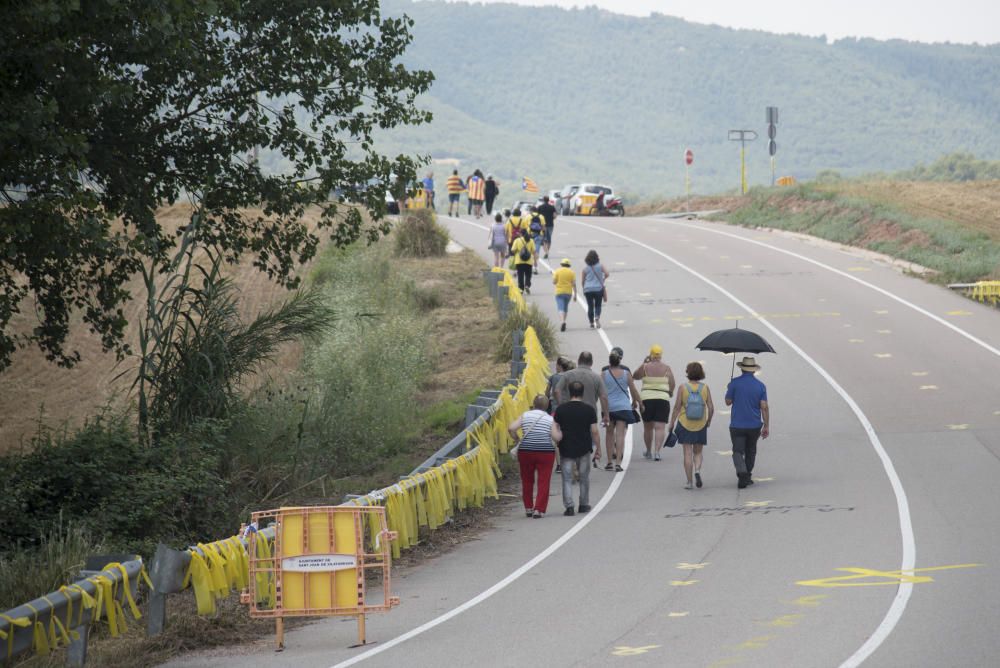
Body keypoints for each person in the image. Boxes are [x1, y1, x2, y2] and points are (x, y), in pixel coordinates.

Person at [508, 394, 560, 518]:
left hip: (526, 451)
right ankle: (539, 509)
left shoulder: (525, 415)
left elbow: (511, 428)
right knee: (543, 480)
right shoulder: (549, 419)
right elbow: (556, 437)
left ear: (533, 404)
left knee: (527, 480)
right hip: (545, 453)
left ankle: (528, 508)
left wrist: (517, 439)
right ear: (547, 406)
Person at [553, 381, 600, 516]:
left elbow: (555, 427)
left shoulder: (561, 409)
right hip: (584, 447)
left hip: (566, 447)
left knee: (567, 478)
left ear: (569, 392)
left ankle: (569, 506)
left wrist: (557, 439)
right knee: (584, 478)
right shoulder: (589, 409)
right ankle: (583, 504)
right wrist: (598, 448)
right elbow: (594, 431)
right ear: (582, 393)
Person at [668, 362, 715, 489]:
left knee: (687, 453)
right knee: (698, 452)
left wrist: (672, 422)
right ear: (701, 373)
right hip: (700, 424)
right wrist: (708, 421)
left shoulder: (683, 388)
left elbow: (677, 407)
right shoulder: (705, 388)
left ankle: (689, 482)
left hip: (685, 423)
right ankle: (697, 471)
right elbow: (711, 407)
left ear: (688, 373)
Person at [725, 356, 769, 489]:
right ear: (754, 370)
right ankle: (747, 474)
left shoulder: (735, 383)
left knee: (737, 451)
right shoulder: (761, 386)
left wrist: (730, 387)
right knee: (751, 451)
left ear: (742, 369)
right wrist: (766, 425)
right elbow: (764, 406)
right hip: (754, 425)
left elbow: (728, 402)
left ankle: (742, 472)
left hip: (737, 424)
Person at [633, 344, 676, 461]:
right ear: (661, 355)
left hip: (647, 399)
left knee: (648, 427)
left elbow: (635, 376)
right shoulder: (667, 368)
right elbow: (672, 382)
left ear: (651, 355)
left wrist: (644, 363)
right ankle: (657, 452)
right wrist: (670, 392)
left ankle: (648, 451)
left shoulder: (645, 366)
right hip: (662, 398)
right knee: (660, 427)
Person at [600, 348, 640, 472]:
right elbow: (632, 389)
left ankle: (609, 462)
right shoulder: (626, 374)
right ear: (619, 361)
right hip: (623, 407)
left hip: (609, 407)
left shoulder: (603, 374)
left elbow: (601, 393)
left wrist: (603, 408)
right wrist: (635, 401)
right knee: (620, 434)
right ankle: (618, 462)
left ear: (609, 361)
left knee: (609, 434)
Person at [581, 249, 609, 329]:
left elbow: (582, 281)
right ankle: (597, 317)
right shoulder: (600, 266)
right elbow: (607, 274)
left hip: (588, 289)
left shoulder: (585, 269)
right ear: (597, 257)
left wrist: (584, 288)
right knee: (598, 305)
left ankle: (591, 323)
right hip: (598, 289)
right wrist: (602, 279)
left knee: (590, 306)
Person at [552, 258, 576, 332]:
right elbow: (574, 284)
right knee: (565, 308)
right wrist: (575, 295)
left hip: (559, 292)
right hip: (568, 292)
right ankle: (564, 321)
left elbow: (554, 282)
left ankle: (562, 322)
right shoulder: (572, 272)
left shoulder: (557, 271)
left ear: (561, 264)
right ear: (569, 265)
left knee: (560, 308)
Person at [510, 229, 536, 295]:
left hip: (519, 261)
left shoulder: (517, 240)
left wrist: (517, 251)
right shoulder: (531, 240)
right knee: (528, 275)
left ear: (521, 234)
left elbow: (512, 250)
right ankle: (527, 285)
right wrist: (535, 261)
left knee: (520, 275)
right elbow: (534, 251)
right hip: (528, 261)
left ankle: (521, 289)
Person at [527, 206, 545, 275]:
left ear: (531, 211)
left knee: (529, 252)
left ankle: (530, 267)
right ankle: (535, 268)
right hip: (539, 235)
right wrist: (543, 235)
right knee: (536, 252)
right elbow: (543, 227)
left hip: (529, 236)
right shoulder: (541, 216)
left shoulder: (528, 217)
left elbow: (524, 226)